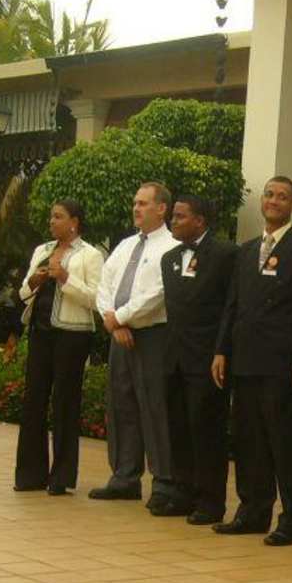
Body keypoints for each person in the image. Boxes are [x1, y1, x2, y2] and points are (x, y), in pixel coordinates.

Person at [212, 176, 292, 544]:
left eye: (282, 197)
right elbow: (232, 305)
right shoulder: (245, 251)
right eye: (269, 195)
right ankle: (252, 511)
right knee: (248, 440)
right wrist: (221, 349)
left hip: (282, 363)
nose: (274, 201)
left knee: (283, 442)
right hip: (245, 358)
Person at [90, 182, 180, 508]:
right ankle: (124, 477)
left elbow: (158, 294)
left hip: (153, 336)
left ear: (162, 208)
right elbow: (105, 285)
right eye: (135, 203)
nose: (136, 208)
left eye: (143, 203)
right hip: (120, 335)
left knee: (155, 407)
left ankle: (164, 483)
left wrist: (121, 317)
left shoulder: (171, 247)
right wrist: (113, 321)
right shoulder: (125, 246)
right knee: (121, 404)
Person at [14, 199, 103, 496]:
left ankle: (61, 476)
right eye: (51, 217)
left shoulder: (90, 255)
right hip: (40, 332)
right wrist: (34, 281)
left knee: (65, 403)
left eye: (58, 217)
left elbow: (96, 299)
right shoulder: (42, 250)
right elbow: (23, 293)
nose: (52, 222)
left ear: (74, 222)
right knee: (33, 401)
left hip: (72, 335)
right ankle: (30, 474)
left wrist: (65, 278)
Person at [159, 195, 237, 521]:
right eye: (173, 216)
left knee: (206, 430)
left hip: (206, 358)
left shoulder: (225, 255)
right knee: (178, 428)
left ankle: (210, 501)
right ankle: (183, 492)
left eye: (180, 216)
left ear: (200, 221)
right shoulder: (169, 258)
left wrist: (221, 350)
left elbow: (229, 308)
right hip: (174, 356)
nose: (173, 221)